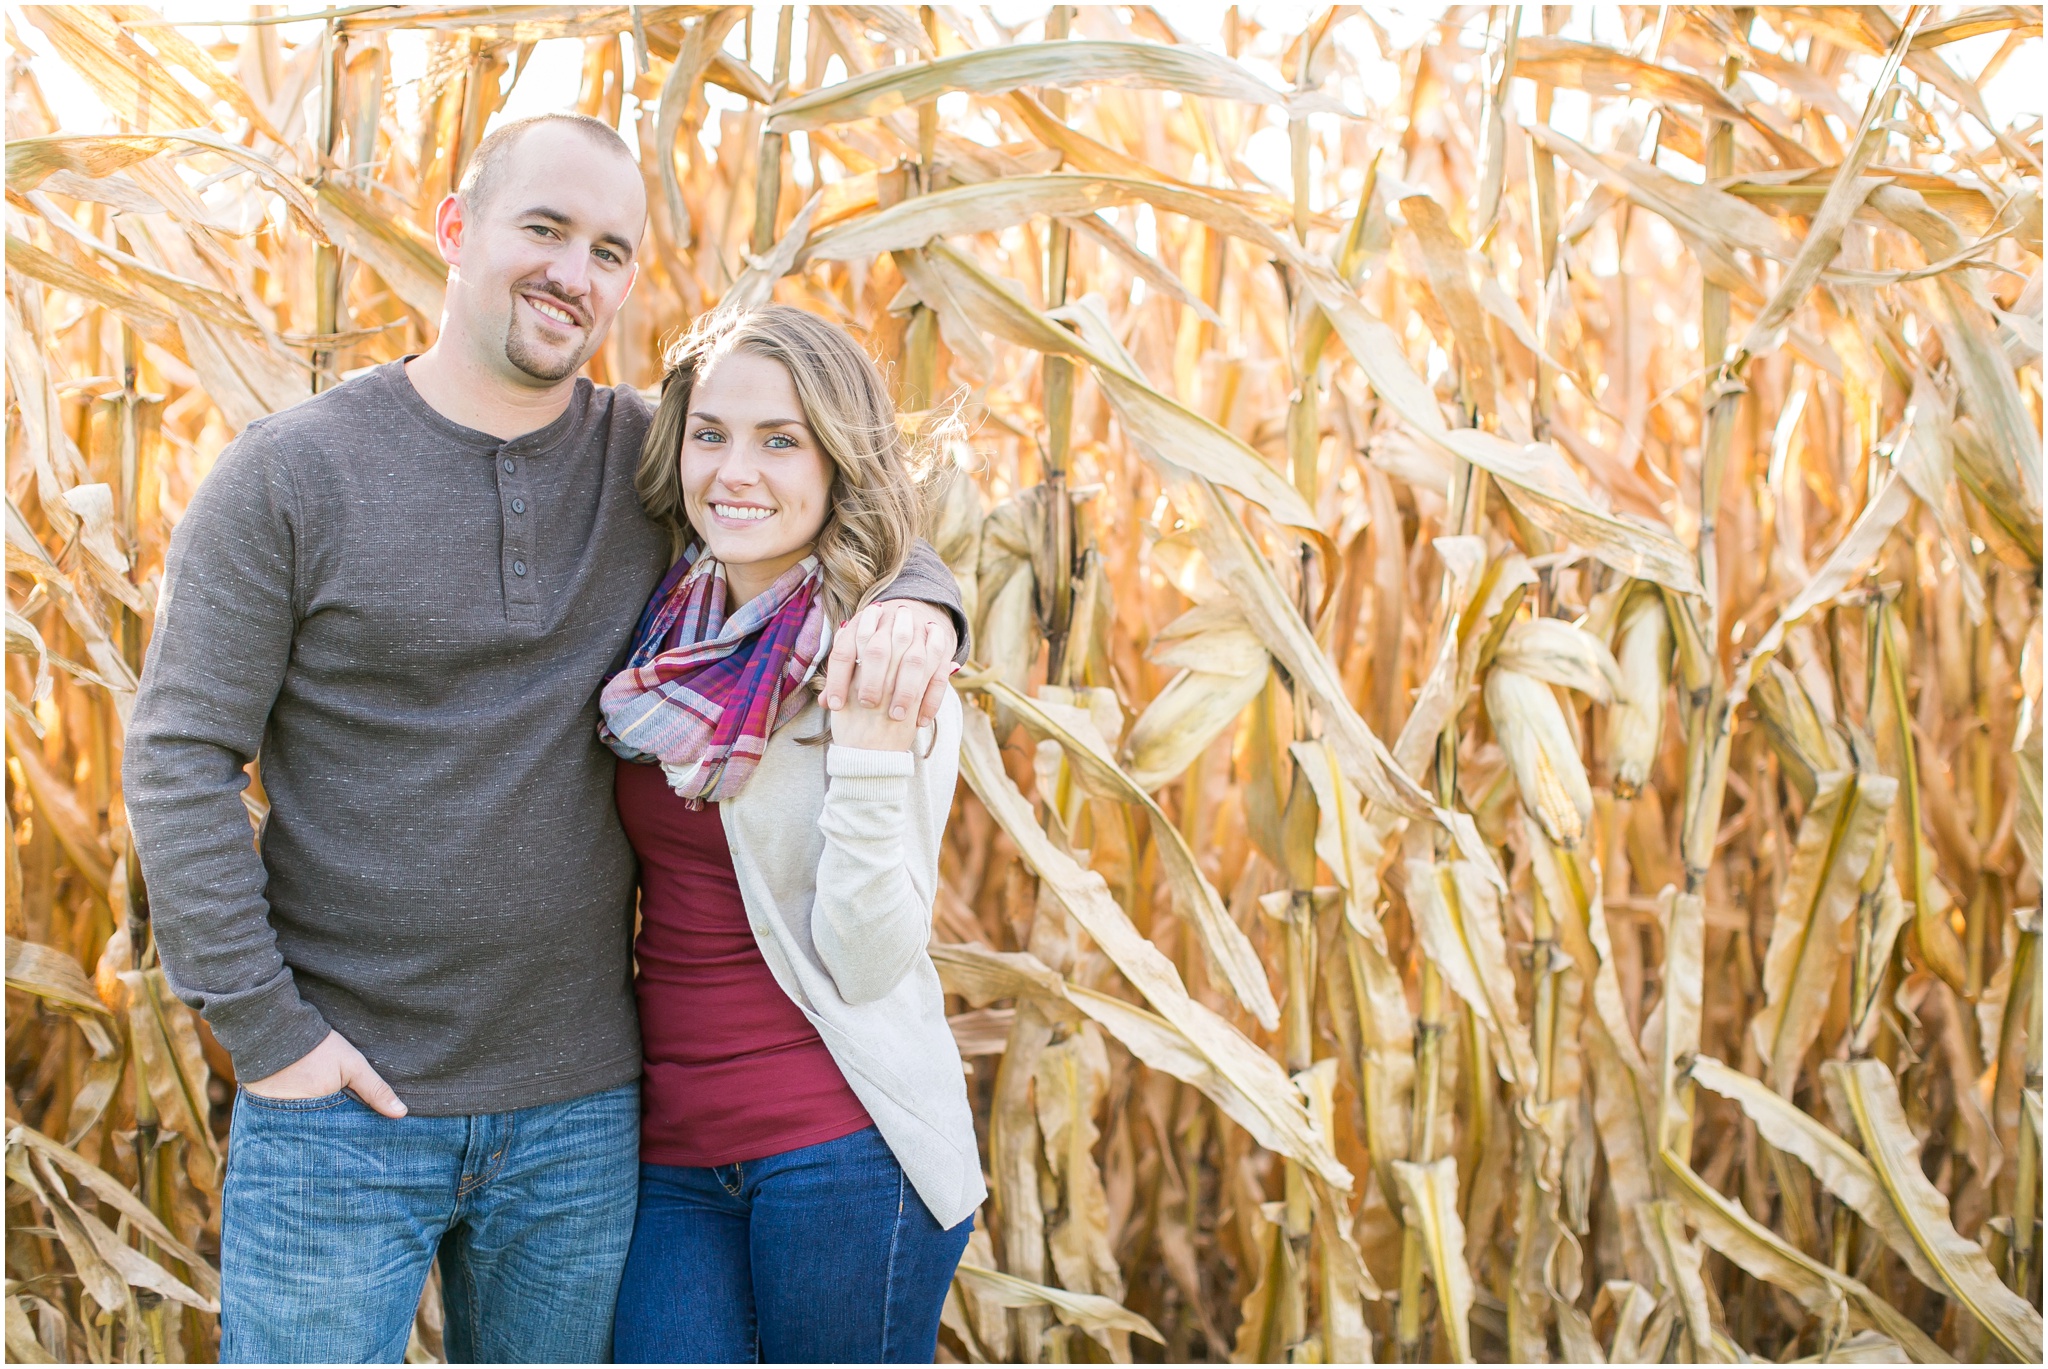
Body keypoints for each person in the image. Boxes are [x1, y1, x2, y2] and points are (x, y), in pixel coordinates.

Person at [123, 113, 964, 1364]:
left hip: (581, 1115)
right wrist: (268, 1033)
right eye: (545, 229)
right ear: (456, 230)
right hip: (345, 1105)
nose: (575, 272)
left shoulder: (652, 460)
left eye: (610, 250)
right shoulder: (293, 475)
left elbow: (817, 496)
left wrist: (918, 601)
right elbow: (179, 756)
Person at [602, 305, 982, 1363]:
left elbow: (867, 959)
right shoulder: (658, 633)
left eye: (781, 441)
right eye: (712, 432)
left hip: (839, 1145)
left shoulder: (883, 662)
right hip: (673, 1150)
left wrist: (864, 750)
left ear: (836, 463)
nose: (736, 469)